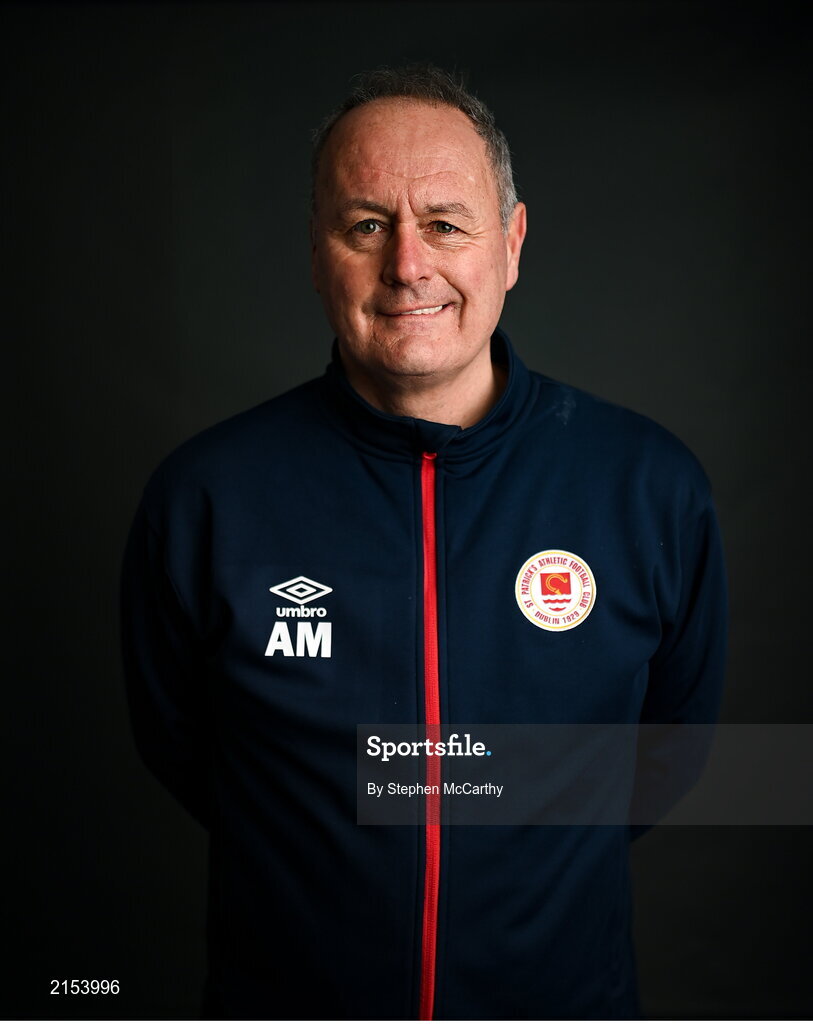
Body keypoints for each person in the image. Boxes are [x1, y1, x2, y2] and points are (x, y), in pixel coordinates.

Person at [120, 64, 727, 1020]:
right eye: (366, 225)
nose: (407, 265)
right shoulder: (208, 497)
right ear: (317, 250)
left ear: (513, 242)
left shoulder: (645, 486)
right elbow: (190, 754)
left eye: (446, 223)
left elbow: (672, 751)